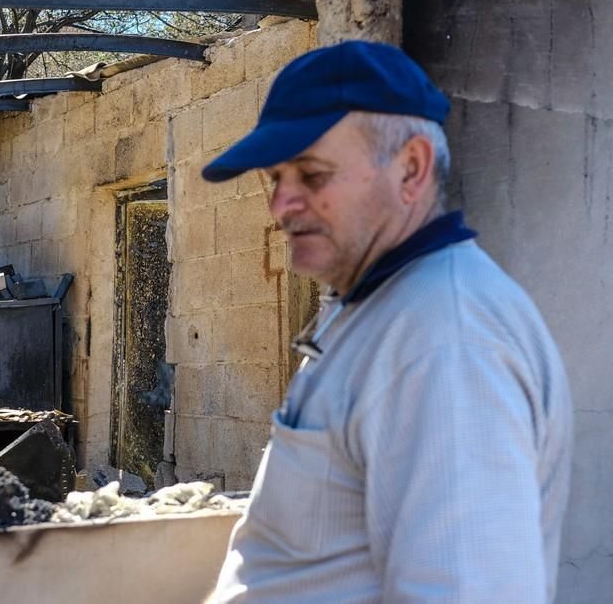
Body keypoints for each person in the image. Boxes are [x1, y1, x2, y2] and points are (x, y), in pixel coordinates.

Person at [201, 41, 573, 603]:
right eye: (276, 178)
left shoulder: (446, 339)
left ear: (412, 169)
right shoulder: (386, 305)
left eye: (312, 174)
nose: (281, 204)